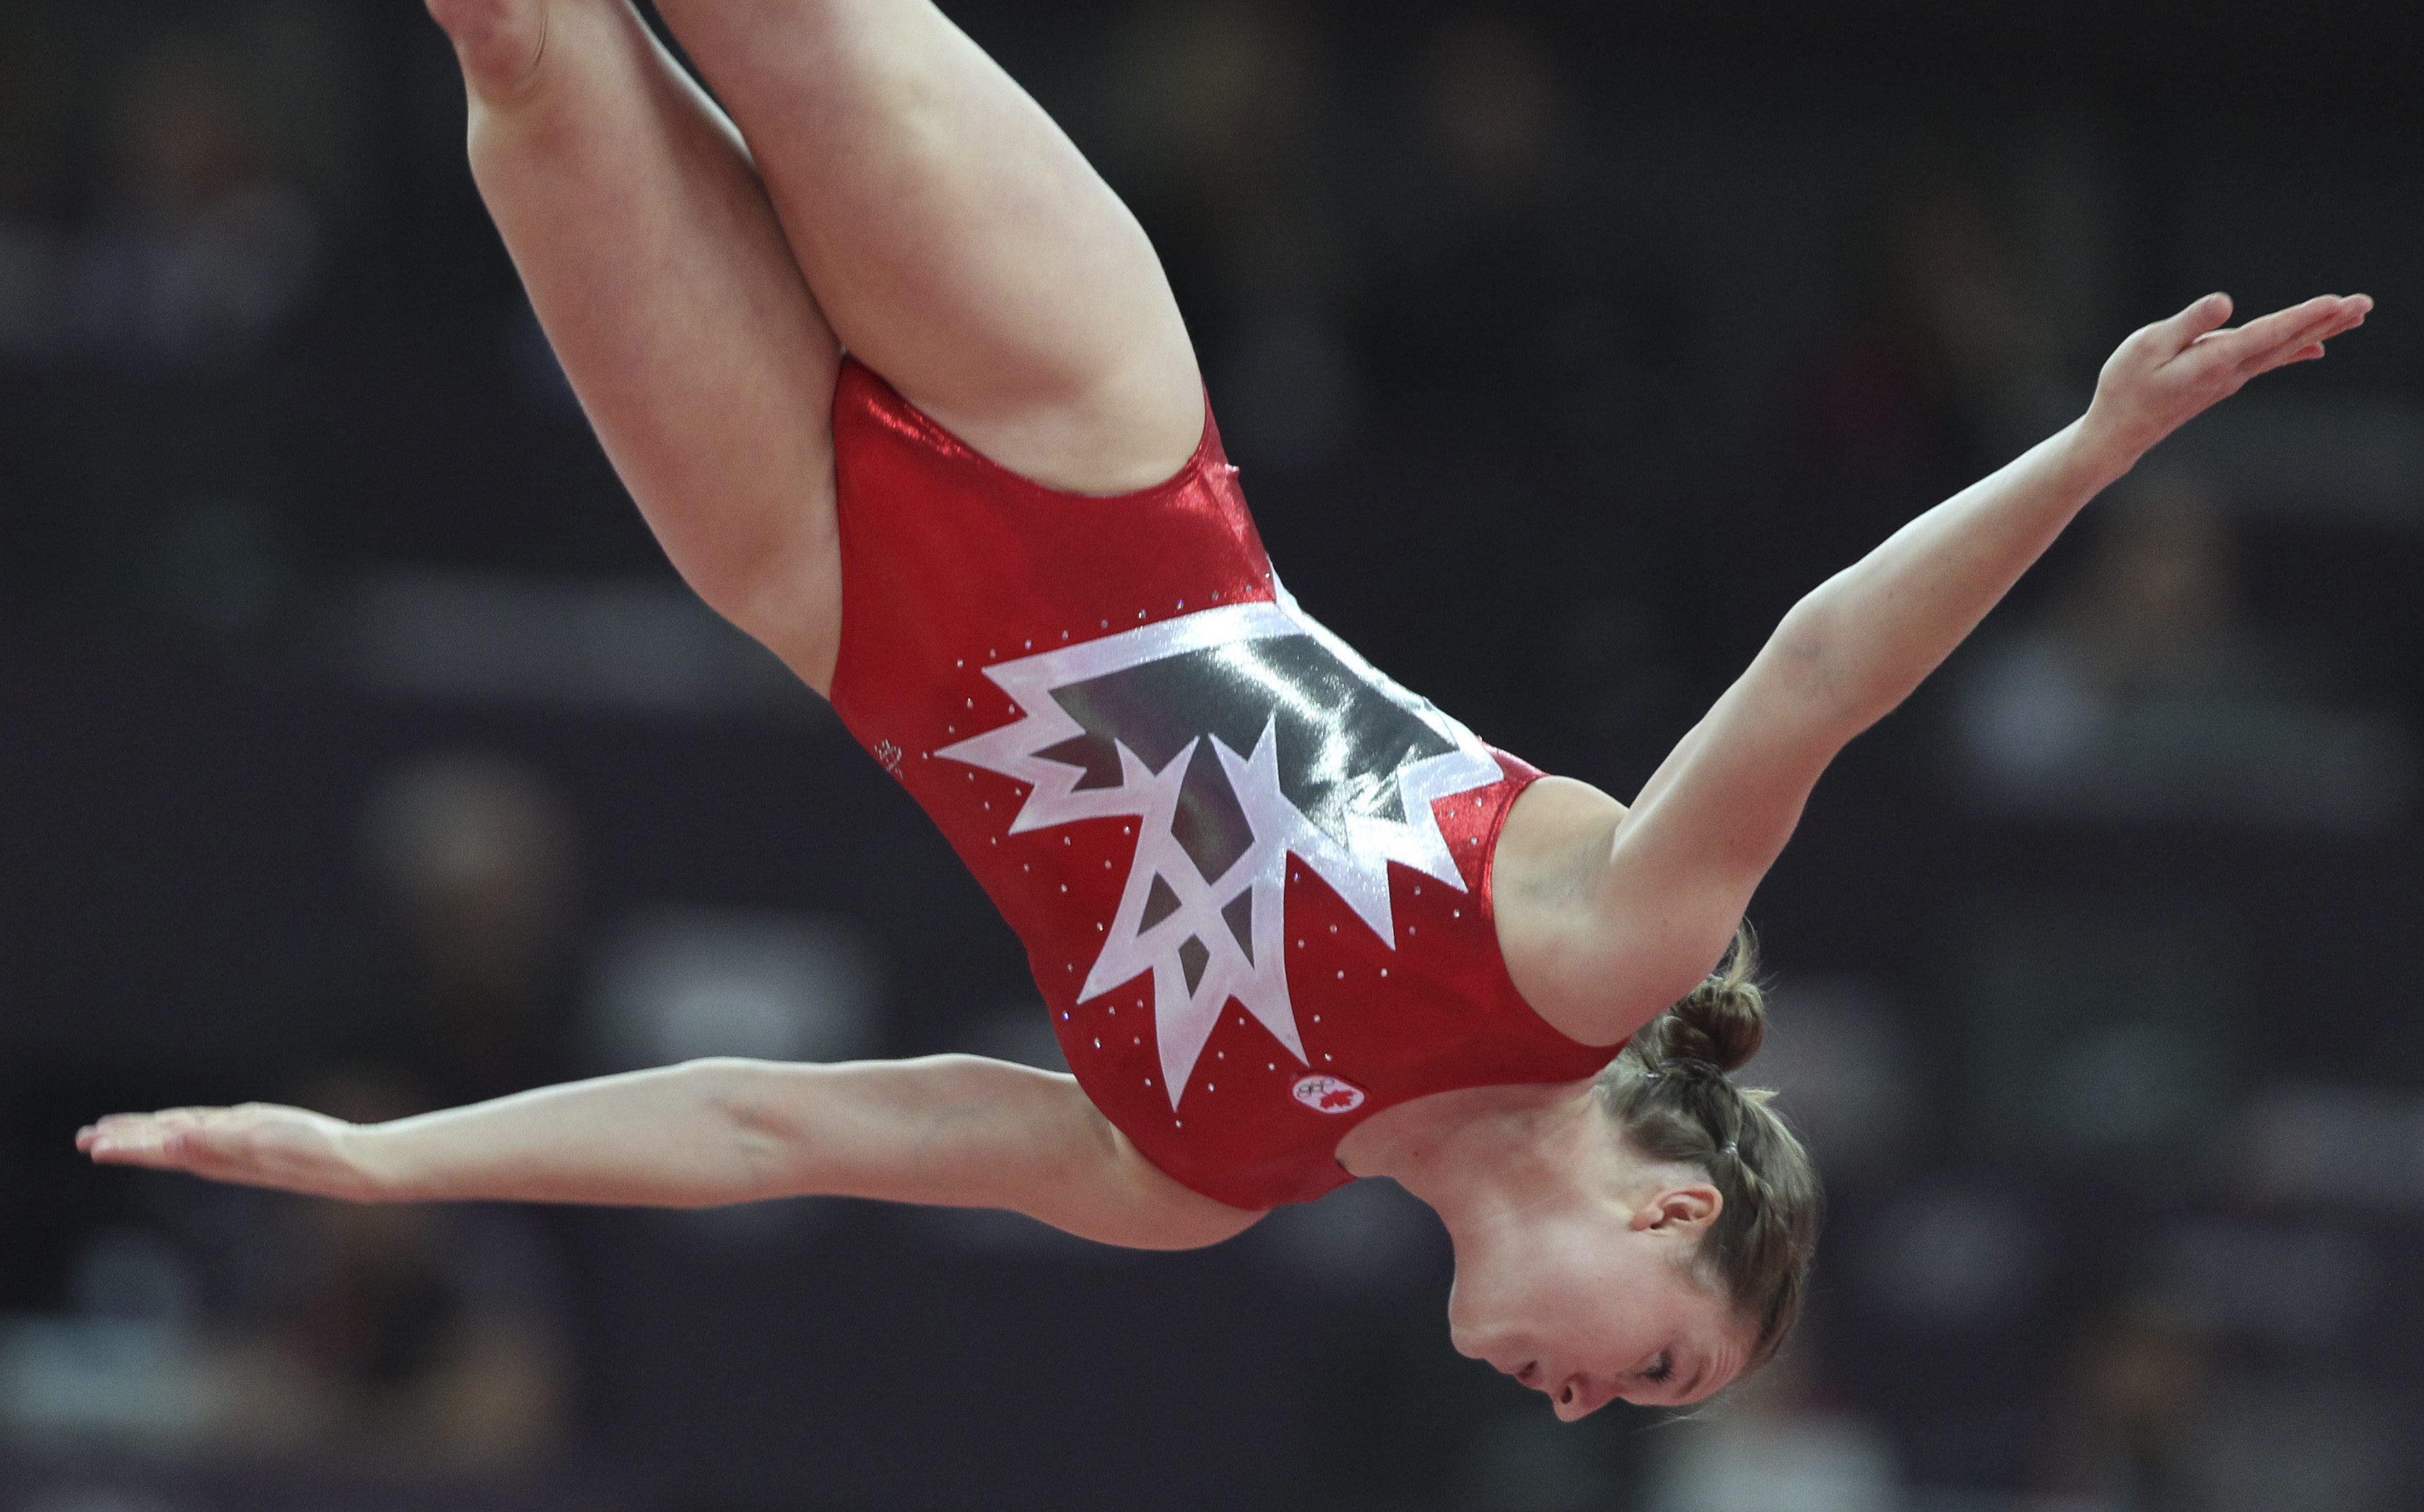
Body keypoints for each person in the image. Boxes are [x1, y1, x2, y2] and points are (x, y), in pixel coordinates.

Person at [77, 0, 2369, 1424]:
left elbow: (784, 1127)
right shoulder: (1595, 956)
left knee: (517, 37)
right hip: (1078, 419)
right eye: (1661, 1369)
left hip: (822, 580)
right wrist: (2082, 451)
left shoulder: (1192, 1180)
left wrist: (393, 1156)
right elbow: (1819, 670)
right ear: (1676, 1213)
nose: (1592, 1409)